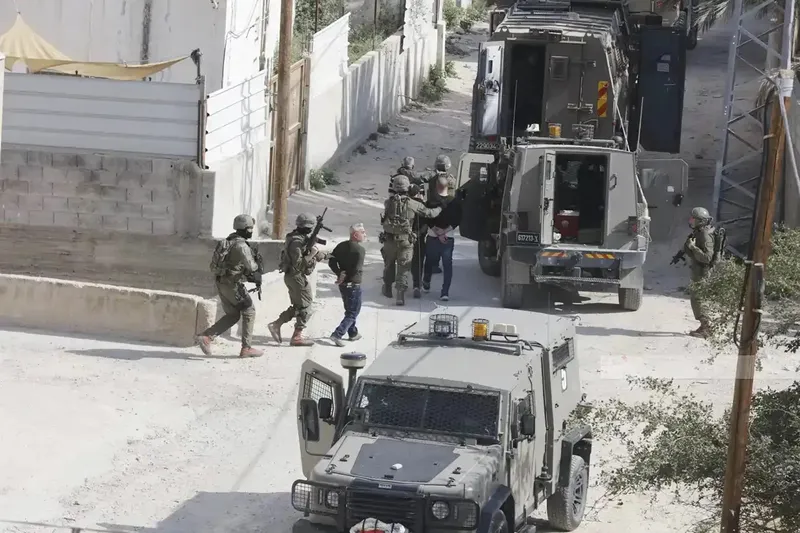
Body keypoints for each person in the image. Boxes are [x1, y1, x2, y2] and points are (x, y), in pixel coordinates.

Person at [196, 214, 263, 358]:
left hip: (222, 283)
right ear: (245, 229)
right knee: (249, 310)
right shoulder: (241, 246)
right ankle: (246, 348)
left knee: (233, 315)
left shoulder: (226, 242)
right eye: (250, 228)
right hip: (233, 284)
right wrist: (257, 265)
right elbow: (252, 267)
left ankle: (207, 337)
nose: (251, 231)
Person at [382, 175, 443, 306]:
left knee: (389, 264)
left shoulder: (388, 203)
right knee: (403, 267)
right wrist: (440, 208)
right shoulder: (412, 203)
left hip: (389, 240)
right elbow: (429, 213)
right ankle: (400, 295)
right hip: (406, 241)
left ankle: (387, 287)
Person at [267, 213, 327, 347]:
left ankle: (277, 325)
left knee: (299, 306)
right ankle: (296, 336)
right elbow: (298, 264)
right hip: (296, 276)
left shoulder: (295, 237)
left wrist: (322, 254)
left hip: (293, 276)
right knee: (306, 306)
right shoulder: (296, 242)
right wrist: (313, 254)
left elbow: (306, 251)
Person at [423, 176, 462, 301]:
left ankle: (426, 282)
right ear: (447, 187)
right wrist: (444, 231)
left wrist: (437, 231)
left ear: (436, 187)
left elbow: (427, 219)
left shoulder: (430, 202)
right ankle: (445, 292)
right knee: (447, 265)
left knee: (429, 261)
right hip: (448, 237)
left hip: (432, 236)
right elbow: (457, 220)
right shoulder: (454, 202)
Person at [329, 223, 367, 347]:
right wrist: (344, 276)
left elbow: (331, 260)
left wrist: (339, 273)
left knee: (349, 310)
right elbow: (356, 269)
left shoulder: (341, 246)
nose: (365, 234)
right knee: (353, 312)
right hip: (353, 285)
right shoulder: (360, 250)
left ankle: (352, 333)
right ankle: (337, 334)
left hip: (343, 285)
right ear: (355, 235)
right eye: (362, 232)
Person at [684, 207, 716, 338]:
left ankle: (706, 327)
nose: (691, 221)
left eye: (693, 219)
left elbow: (707, 258)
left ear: (700, 221)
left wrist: (693, 247)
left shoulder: (704, 235)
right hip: (698, 271)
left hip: (703, 272)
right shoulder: (699, 232)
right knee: (696, 298)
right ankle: (704, 326)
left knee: (698, 299)